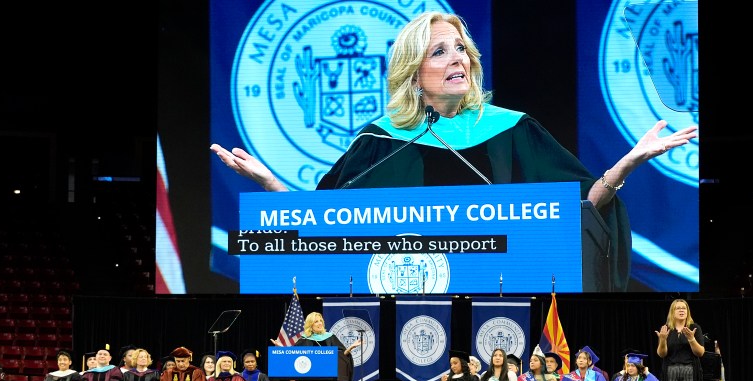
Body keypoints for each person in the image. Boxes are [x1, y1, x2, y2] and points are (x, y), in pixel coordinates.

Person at [211, 12, 697, 292]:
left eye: (462, 49)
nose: (458, 58)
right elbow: (327, 223)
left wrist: (625, 165)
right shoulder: (378, 141)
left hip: (499, 302)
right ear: (412, 70)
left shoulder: (510, 130)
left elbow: (580, 209)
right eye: (441, 51)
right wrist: (271, 185)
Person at [273, 312, 359, 381]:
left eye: (321, 321)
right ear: (310, 325)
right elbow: (292, 357)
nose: (320, 323)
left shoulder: (330, 337)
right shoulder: (304, 339)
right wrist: (281, 348)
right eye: (316, 321)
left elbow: (341, 355)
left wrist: (349, 349)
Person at [655, 298, 705, 381]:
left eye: (684, 308)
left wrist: (691, 339)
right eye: (678, 308)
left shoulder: (694, 328)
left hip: (690, 374)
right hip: (671, 374)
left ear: (687, 312)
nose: (681, 310)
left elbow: (700, 352)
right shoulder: (666, 329)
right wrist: (662, 340)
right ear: (672, 312)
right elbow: (662, 354)